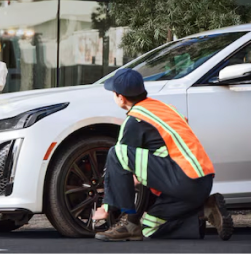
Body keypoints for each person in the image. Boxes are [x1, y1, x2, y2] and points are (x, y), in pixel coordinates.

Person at [92, 68, 233, 241]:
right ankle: (204, 210)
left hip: (184, 179)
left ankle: (129, 224)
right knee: (149, 228)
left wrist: (107, 205)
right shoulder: (164, 108)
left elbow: (121, 161)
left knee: (117, 152)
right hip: (202, 182)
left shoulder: (135, 120)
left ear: (120, 97)